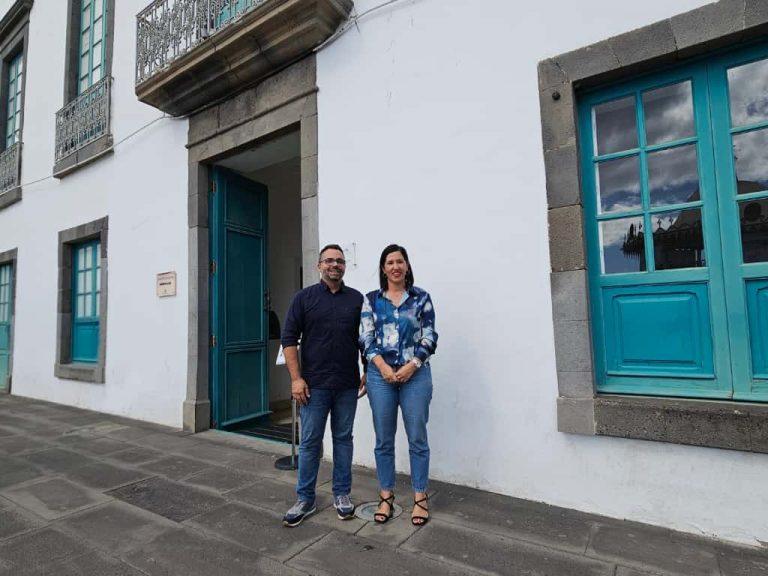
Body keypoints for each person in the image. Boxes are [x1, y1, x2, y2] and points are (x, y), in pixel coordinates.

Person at [281, 244, 365, 527]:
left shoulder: (356, 300)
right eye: (329, 260)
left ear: (345, 266)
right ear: (319, 265)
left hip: (346, 385)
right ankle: (305, 499)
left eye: (340, 261)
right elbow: (289, 339)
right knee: (309, 443)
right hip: (312, 387)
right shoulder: (303, 299)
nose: (335, 265)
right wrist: (296, 378)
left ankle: (342, 494)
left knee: (343, 440)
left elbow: (365, 340)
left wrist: (366, 371)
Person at [359, 244, 438, 526]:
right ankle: (386, 495)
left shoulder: (421, 298)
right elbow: (366, 338)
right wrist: (381, 368)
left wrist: (410, 366)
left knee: (417, 436)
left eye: (400, 262)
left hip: (415, 375)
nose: (395, 266)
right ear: (383, 268)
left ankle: (420, 497)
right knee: (384, 439)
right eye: (390, 262)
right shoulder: (371, 300)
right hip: (381, 377)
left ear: (407, 266)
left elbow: (429, 336)